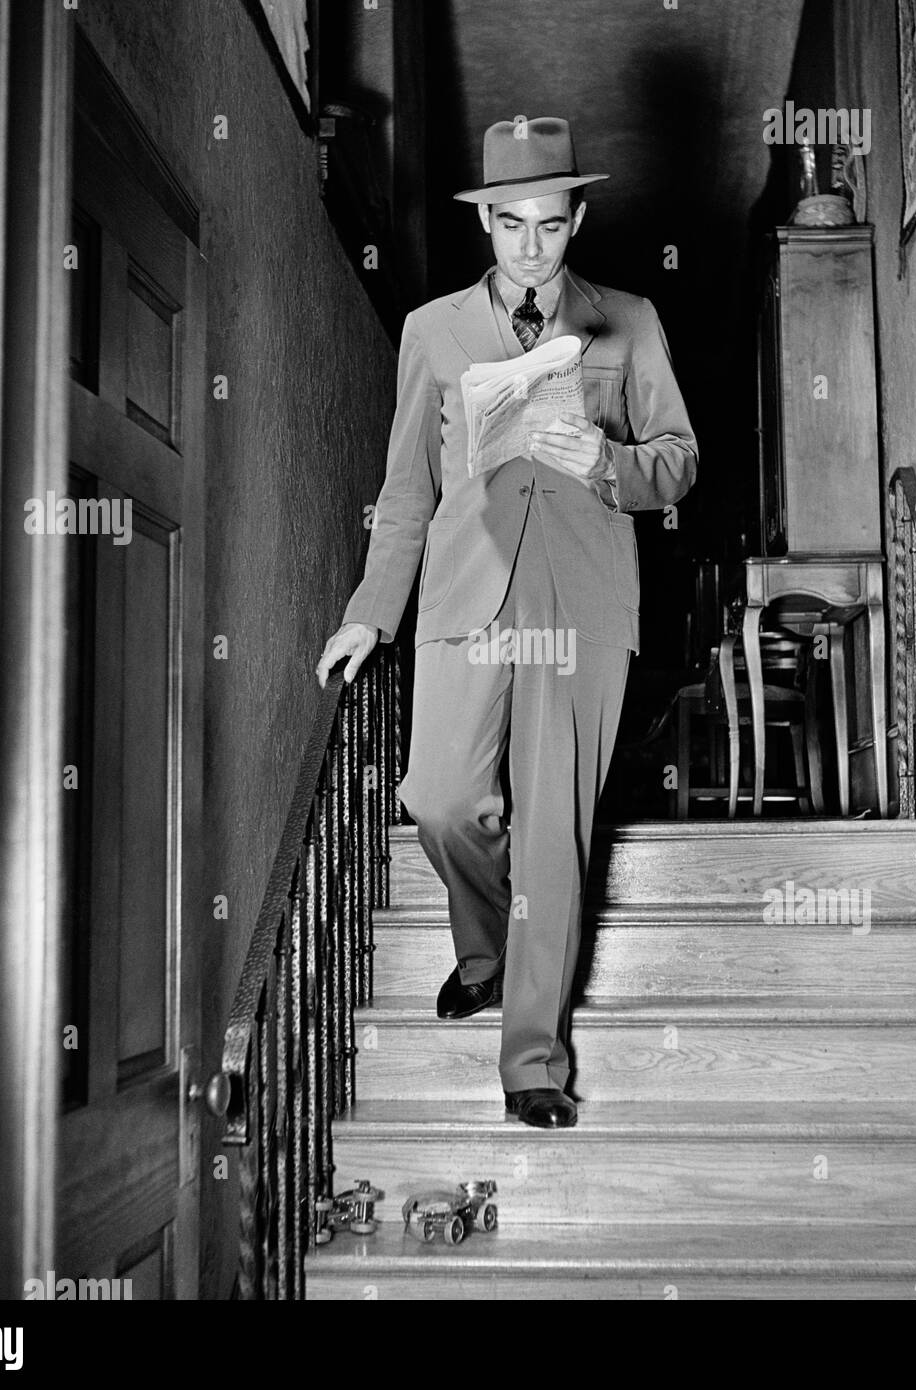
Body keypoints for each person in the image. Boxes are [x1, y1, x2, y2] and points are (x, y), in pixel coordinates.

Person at [316, 116, 697, 1128]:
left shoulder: (632, 320)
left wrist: (608, 465)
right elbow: (404, 492)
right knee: (437, 797)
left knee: (552, 838)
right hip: (464, 595)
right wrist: (370, 615)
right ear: (486, 220)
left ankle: (533, 1059)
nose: (531, 246)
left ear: (578, 219)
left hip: (583, 603)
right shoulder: (431, 332)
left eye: (551, 225)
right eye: (510, 224)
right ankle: (482, 951)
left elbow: (679, 459)